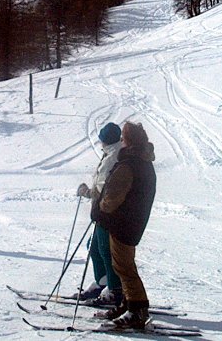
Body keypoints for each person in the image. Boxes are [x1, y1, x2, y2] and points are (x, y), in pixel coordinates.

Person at [91, 121, 157, 329]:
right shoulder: (142, 161)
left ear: (128, 140)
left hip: (123, 222)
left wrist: (100, 209)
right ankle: (128, 304)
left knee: (124, 266)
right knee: (123, 264)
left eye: (124, 138)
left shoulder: (129, 164)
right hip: (133, 220)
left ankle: (136, 309)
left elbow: (112, 197)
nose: (122, 141)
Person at [75, 122, 124, 306]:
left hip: (107, 214)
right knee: (95, 246)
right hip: (103, 212)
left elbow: (103, 189)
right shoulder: (112, 152)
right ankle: (103, 282)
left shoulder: (113, 157)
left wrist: (87, 192)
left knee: (105, 249)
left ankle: (113, 289)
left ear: (106, 140)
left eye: (102, 140)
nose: (100, 143)